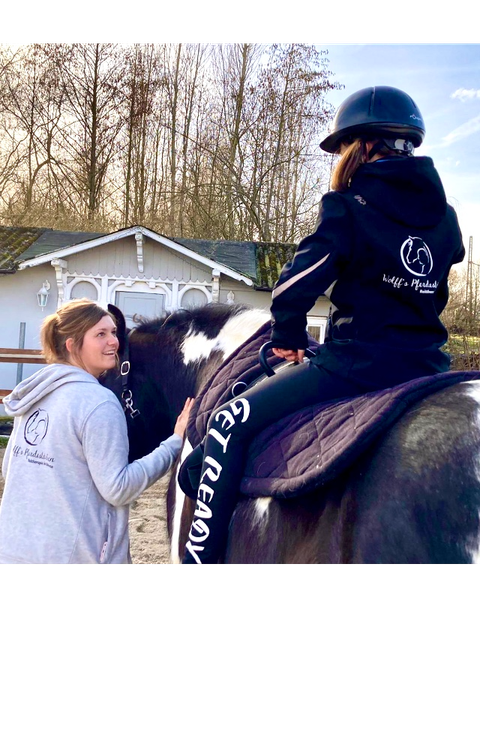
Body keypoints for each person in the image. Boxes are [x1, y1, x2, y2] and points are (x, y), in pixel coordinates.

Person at [179, 85, 466, 565]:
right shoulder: (448, 219)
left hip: (357, 364)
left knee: (229, 423)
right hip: (429, 366)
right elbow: (439, 279)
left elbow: (293, 289)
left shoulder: (349, 207)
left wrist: (289, 337)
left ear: (363, 146)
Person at [0, 299, 194, 566]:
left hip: (14, 551)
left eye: (113, 332)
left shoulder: (33, 396)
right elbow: (119, 489)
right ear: (72, 345)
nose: (113, 342)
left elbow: (9, 470)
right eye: (100, 335)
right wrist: (173, 444)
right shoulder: (98, 403)